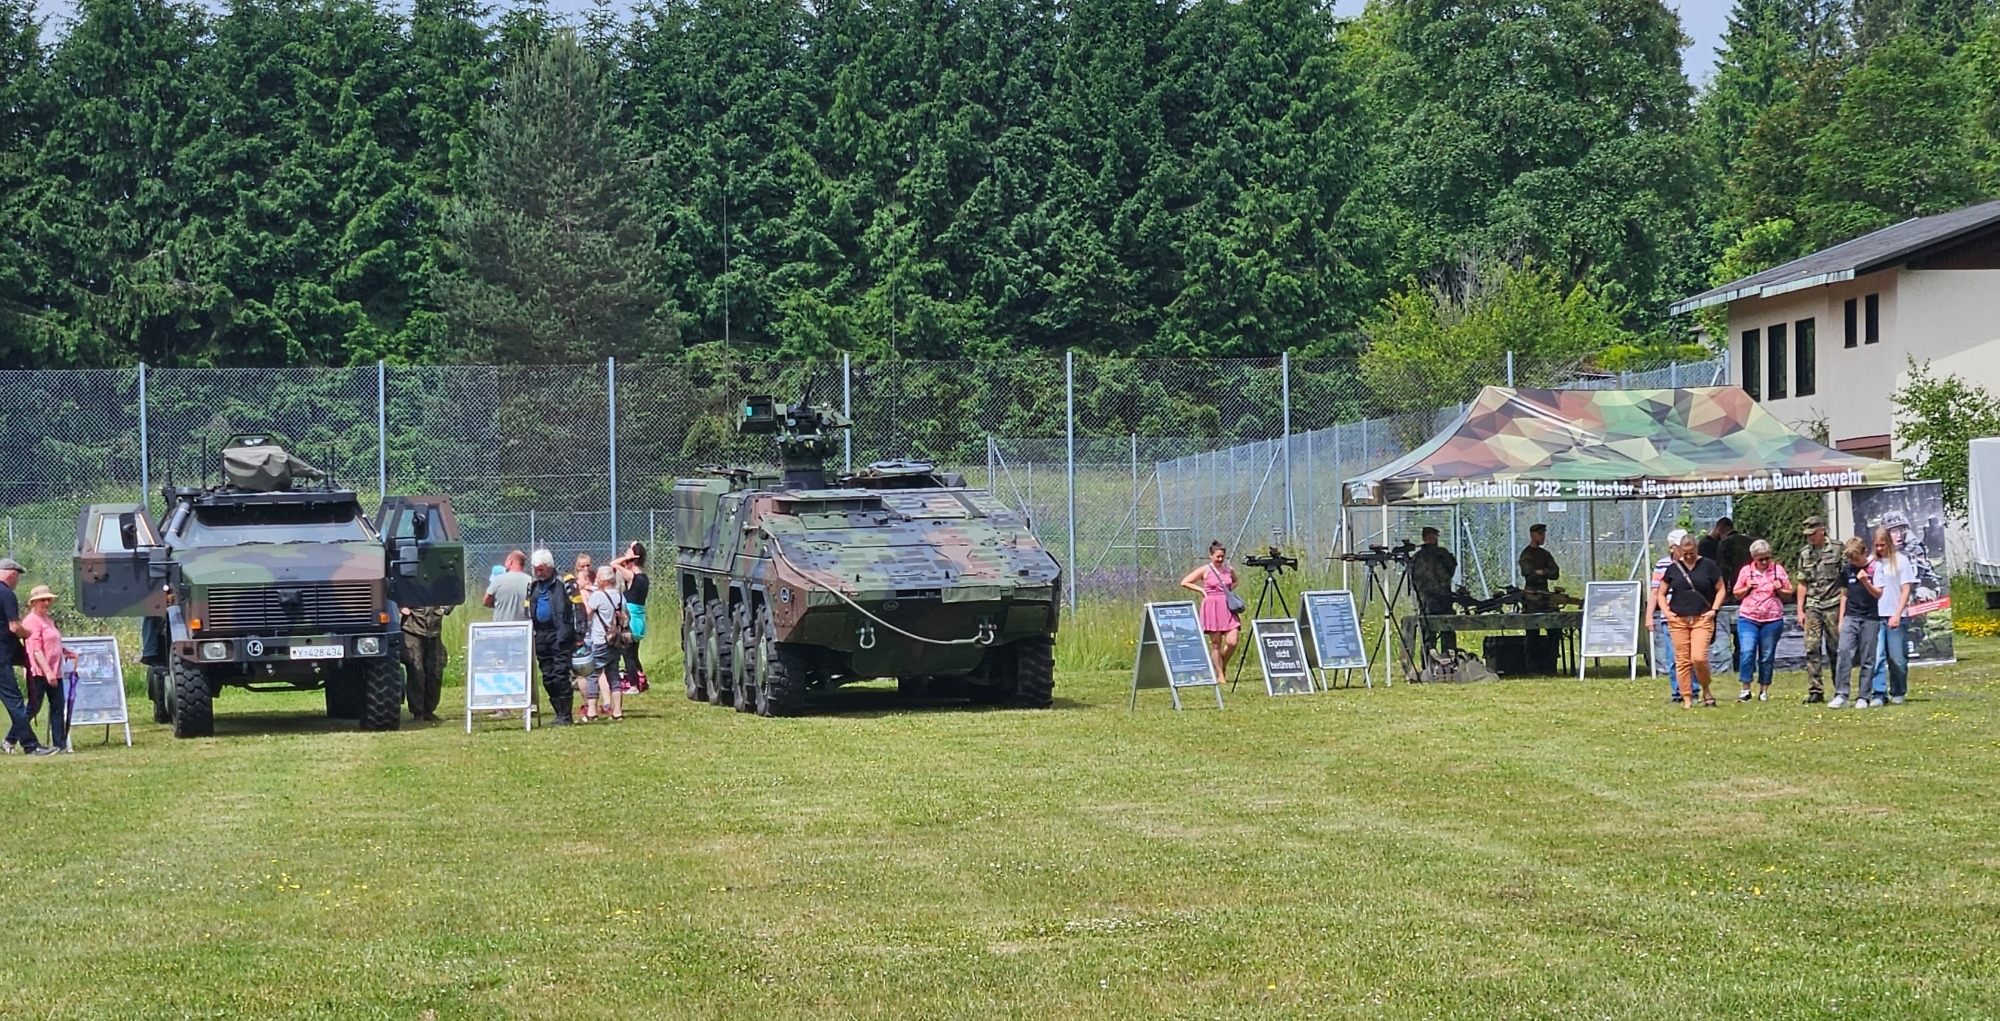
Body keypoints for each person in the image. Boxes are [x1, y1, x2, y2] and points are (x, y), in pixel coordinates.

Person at [1660, 531, 1726, 708]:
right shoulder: (1673, 568)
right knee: (1682, 660)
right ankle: (1687, 697)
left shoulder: (1708, 565)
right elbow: (1660, 593)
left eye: (1691, 553)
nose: (1688, 557)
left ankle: (1706, 689)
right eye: (1685, 553)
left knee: (1698, 657)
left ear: (1697, 549)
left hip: (1702, 618)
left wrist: (1714, 610)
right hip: (1678, 619)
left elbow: (1721, 589)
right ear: (1679, 551)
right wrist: (1667, 612)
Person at [1731, 539, 1793, 702]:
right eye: (1761, 559)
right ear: (1754, 558)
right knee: (1747, 651)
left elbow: (1789, 593)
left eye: (1767, 558)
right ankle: (1746, 688)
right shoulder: (1746, 571)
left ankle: (1764, 690)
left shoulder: (1778, 570)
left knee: (1766, 655)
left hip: (1772, 619)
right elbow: (1736, 593)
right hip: (1748, 618)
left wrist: (1780, 589)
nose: (1765, 562)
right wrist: (1747, 587)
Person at [1862, 526, 1917, 706]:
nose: (1879, 549)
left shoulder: (1901, 561)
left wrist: (1897, 614)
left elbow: (1906, 590)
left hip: (1895, 614)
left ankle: (1898, 690)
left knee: (1897, 658)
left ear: (1889, 543)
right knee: (1877, 657)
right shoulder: (1871, 562)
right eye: (1876, 545)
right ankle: (1879, 693)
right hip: (1876, 616)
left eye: (1882, 545)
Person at [0, 558, 48, 755]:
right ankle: (31, 746)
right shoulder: (6, 593)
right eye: (17, 577)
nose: (17, 582)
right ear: (12, 574)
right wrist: (27, 633)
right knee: (15, 701)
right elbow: (14, 627)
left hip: (7, 653)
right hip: (2, 659)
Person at [1793, 515, 1842, 704]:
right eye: (1808, 534)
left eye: (1813, 533)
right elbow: (1802, 582)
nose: (1810, 537)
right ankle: (1815, 690)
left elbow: (1845, 578)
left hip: (1833, 603)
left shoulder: (1837, 549)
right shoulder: (1805, 553)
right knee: (1811, 647)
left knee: (1835, 648)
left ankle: (1840, 688)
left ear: (1822, 530)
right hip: (1813, 604)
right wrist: (1800, 610)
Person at [527, 549, 579, 725]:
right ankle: (558, 713)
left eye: (541, 569)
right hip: (541, 635)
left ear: (549, 567)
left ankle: (566, 715)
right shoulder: (532, 584)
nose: (538, 572)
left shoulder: (565, 580)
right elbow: (527, 608)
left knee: (560, 674)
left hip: (561, 633)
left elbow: (578, 607)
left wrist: (579, 633)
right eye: (536, 569)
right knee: (548, 676)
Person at [22, 585, 74, 753]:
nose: (46, 603)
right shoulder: (31, 621)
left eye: (48, 600)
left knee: (58, 706)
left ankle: (60, 744)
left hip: (55, 669)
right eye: (42, 600)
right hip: (39, 672)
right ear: (33, 603)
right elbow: (36, 649)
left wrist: (64, 651)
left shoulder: (48, 620)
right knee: (33, 708)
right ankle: (11, 738)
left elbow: (52, 642)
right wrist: (48, 672)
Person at [1180, 541, 1240, 680]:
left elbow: (1235, 581)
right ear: (1211, 556)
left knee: (1232, 641)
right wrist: (1202, 590)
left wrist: (1229, 591)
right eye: (1217, 556)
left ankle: (1222, 664)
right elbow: (1185, 582)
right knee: (1216, 643)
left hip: (1227, 606)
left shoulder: (1229, 569)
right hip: (1212, 606)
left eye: (1222, 556)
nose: (1220, 559)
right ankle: (1220, 674)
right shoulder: (1205, 570)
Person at [1830, 537, 1878, 709]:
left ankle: (1864, 696)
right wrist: (1841, 619)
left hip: (1870, 617)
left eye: (1856, 559)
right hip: (1851, 616)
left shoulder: (1874, 568)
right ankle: (1841, 694)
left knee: (1867, 657)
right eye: (1851, 560)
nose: (1854, 563)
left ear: (1865, 552)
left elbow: (1879, 594)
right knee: (1844, 652)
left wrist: (1866, 581)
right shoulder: (1847, 569)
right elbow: (1844, 595)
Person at [1649, 529, 1694, 703]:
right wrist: (1649, 616)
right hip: (1670, 617)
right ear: (1672, 547)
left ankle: (1693, 690)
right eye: (1680, 546)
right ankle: (1678, 691)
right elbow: (1655, 592)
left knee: (1693, 656)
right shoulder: (1663, 565)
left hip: (1693, 614)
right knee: (1674, 657)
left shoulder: (1696, 563)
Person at [583, 565, 626, 721]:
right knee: (613, 674)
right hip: (616, 641)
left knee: (592, 675)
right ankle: (617, 711)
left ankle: (591, 712)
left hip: (600, 640)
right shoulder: (620, 596)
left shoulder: (598, 596)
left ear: (605, 580)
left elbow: (587, 614)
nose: (596, 580)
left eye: (599, 577)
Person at [1408, 526, 1459, 653]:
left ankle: (1428, 659)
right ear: (1433, 537)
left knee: (1428, 635)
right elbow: (1451, 569)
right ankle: (1450, 658)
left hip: (1425, 602)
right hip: (1443, 600)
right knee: (1447, 631)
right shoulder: (1442, 554)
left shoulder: (1416, 557)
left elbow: (1411, 578)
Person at [609, 542, 650, 693]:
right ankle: (641, 680)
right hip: (638, 620)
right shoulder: (644, 578)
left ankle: (633, 685)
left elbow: (613, 564)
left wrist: (628, 558)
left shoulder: (634, 577)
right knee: (634, 653)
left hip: (631, 621)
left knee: (628, 655)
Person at [400, 602, 450, 722]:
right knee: (416, 670)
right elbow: (392, 594)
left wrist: (445, 609)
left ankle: (429, 710)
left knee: (435, 671)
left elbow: (453, 594)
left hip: (434, 629)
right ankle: (418, 712)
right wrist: (401, 607)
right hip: (412, 629)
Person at [1517, 523, 1560, 610]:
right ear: (1532, 535)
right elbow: (1530, 575)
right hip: (1531, 596)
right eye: (1540, 534)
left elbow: (1555, 573)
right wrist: (1544, 572)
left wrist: (1542, 572)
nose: (1543, 537)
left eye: (1543, 534)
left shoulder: (1545, 554)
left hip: (1545, 595)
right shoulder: (1526, 554)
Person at [484, 550, 531, 622]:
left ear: (510, 562)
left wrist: (499, 605)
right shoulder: (530, 581)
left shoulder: (498, 579)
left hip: (502, 626)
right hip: (524, 626)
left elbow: (486, 601)